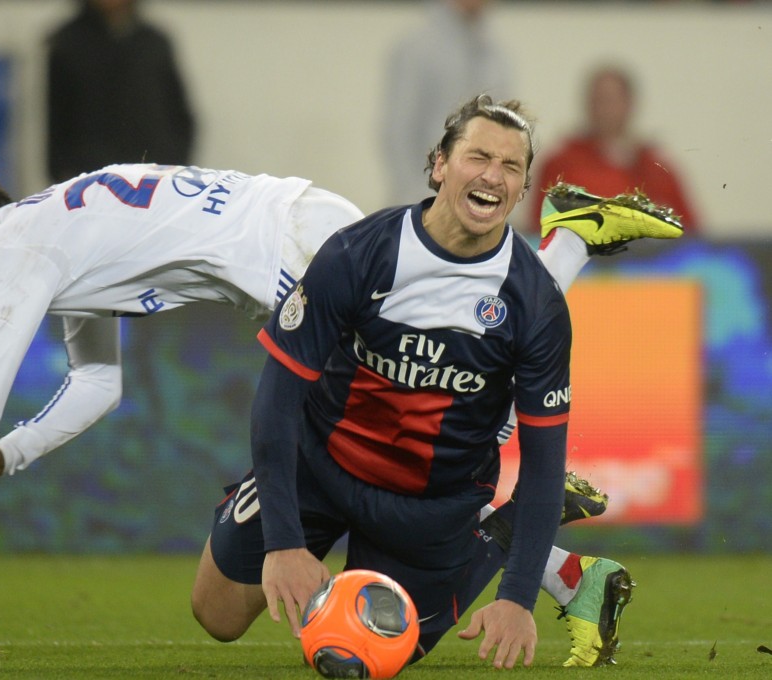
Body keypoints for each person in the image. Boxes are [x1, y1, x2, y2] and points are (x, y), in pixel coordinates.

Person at [0, 131, 680, 665]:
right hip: (293, 226)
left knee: (451, 378)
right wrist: (13, 455)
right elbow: (98, 383)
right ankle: (550, 541)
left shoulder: (14, 249)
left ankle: (567, 244)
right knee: (433, 377)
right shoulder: (60, 241)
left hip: (299, 249)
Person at [189, 95, 680, 670]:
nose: (492, 176)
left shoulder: (537, 305)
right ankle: (572, 240)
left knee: (372, 656)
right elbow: (276, 401)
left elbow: (545, 461)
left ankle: (499, 533)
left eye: (511, 166)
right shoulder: (358, 253)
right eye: (478, 157)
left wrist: (517, 597)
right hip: (318, 466)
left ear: (522, 188)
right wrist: (284, 543)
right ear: (441, 164)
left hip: (429, 505)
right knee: (216, 615)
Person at [527, 63, 698, 235]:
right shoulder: (561, 164)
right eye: (598, 100)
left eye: (611, 100)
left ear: (630, 104)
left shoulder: (656, 169)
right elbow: (539, 230)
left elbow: (691, 233)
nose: (605, 110)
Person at [46, 0, 195, 183]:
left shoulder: (154, 41)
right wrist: (61, 172)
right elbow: (57, 117)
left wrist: (176, 162)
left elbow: (179, 112)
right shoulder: (67, 43)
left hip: (154, 173)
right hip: (92, 176)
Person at [382, 0, 512, 205]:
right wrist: (418, 198)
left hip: (478, 198)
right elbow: (399, 130)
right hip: (425, 198)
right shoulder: (417, 49)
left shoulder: (495, 54)